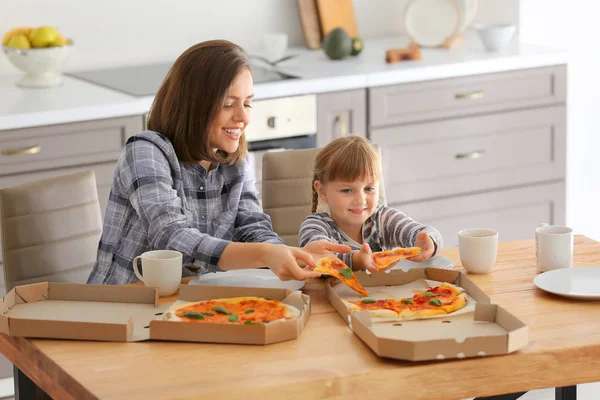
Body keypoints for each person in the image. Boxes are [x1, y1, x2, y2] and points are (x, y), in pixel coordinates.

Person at [87, 40, 348, 285]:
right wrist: (266, 254)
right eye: (228, 104)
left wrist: (290, 254)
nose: (243, 117)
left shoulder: (234, 159)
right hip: (119, 303)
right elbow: (171, 237)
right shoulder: (145, 152)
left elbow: (252, 226)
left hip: (190, 300)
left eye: (247, 104)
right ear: (193, 106)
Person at [299, 135, 443, 272]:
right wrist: (357, 260)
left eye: (369, 188)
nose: (361, 200)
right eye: (347, 190)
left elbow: (423, 232)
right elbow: (317, 257)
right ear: (322, 191)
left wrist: (428, 242)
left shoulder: (383, 218)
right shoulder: (315, 226)